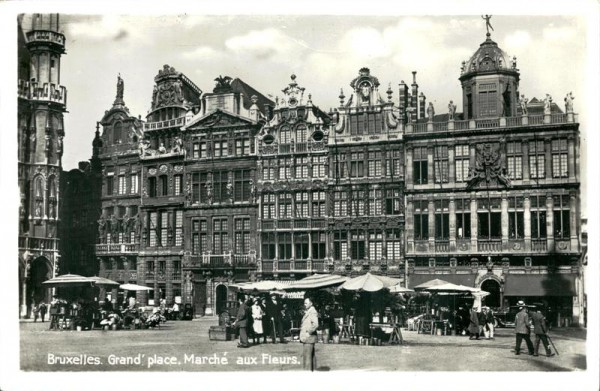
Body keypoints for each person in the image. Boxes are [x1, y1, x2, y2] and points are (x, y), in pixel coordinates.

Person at [300, 297, 319, 371]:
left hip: (309, 337)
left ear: (311, 303)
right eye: (304, 303)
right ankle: (312, 373)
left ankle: (307, 376)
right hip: (309, 338)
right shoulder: (309, 311)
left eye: (306, 303)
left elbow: (315, 324)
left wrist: (308, 332)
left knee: (307, 358)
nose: (304, 304)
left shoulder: (312, 312)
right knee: (311, 357)